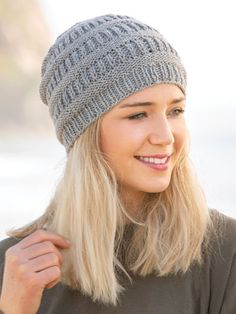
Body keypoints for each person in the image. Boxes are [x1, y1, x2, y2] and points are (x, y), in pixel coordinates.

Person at [0, 13, 235, 314]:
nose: (166, 136)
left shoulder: (225, 252)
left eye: (175, 111)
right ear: (86, 133)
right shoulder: (16, 269)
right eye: (138, 114)